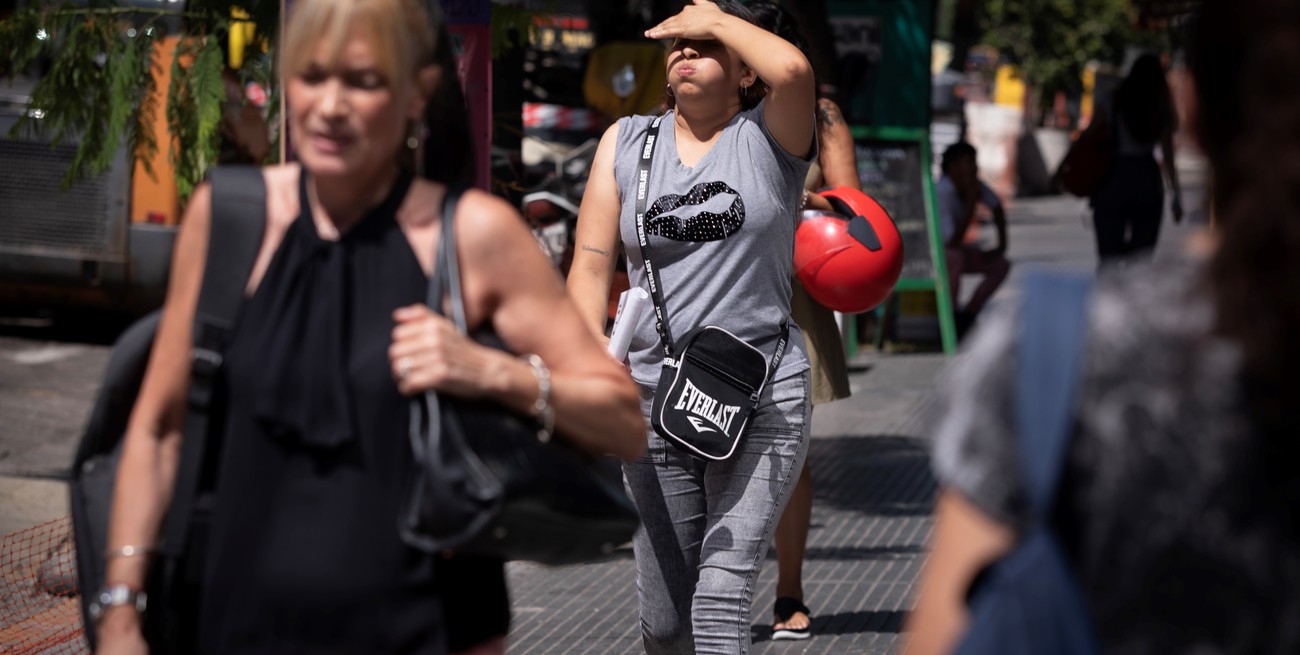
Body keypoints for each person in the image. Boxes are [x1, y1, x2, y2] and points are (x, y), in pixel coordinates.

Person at [94, 0, 645, 653]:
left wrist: (490, 370)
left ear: (418, 94)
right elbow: (159, 430)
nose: (330, 105)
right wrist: (122, 610)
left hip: (419, 630)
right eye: (312, 75)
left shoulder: (472, 236)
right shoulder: (229, 218)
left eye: (363, 80)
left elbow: (623, 421)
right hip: (227, 624)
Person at [904, 0, 1300, 652]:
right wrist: (1172, 188)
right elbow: (1164, 150)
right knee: (1136, 252)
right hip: (1143, 182)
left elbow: (941, 632)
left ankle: (1127, 278)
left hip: (1116, 186)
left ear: (1196, 105)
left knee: (1119, 265)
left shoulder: (1050, 348)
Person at [566, 1, 816, 652]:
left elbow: (792, 71)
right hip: (653, 402)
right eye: (675, 43)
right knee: (668, 625)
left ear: (744, 73)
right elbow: (591, 264)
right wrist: (585, 344)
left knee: (718, 600)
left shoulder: (771, 138)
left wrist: (715, 15)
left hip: (761, 397)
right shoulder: (624, 143)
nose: (682, 51)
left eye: (702, 44)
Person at [748, 0, 853, 641]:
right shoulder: (710, 102)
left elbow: (850, 207)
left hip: (791, 296)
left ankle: (789, 587)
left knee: (789, 453)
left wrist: (792, 191)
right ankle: (712, 590)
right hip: (713, 296)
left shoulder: (820, 112)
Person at [1090, 53, 1184, 265]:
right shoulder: (1159, 108)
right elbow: (1168, 157)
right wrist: (1176, 196)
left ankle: (1109, 296)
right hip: (1146, 179)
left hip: (1113, 178)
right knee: (1141, 260)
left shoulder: (1112, 100)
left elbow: (1089, 137)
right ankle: (1134, 295)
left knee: (1109, 259)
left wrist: (1063, 171)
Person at [936, 141, 1010, 333]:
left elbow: (996, 207)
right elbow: (951, 240)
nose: (974, 169)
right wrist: (970, 203)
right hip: (938, 256)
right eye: (969, 164)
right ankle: (950, 317)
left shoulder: (973, 185)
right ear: (953, 168)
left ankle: (969, 314)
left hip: (957, 251)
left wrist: (1001, 245)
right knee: (954, 257)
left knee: (1000, 264)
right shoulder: (943, 192)